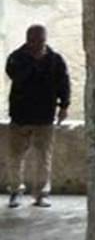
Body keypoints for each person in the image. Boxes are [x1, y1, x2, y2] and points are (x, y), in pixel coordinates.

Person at [5, 24, 70, 209]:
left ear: (45, 39)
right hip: (20, 115)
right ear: (27, 40)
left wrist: (64, 106)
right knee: (15, 157)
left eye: (40, 40)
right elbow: (16, 76)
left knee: (43, 157)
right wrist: (34, 62)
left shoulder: (55, 60)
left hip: (45, 116)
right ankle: (15, 192)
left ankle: (41, 194)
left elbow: (63, 83)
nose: (36, 44)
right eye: (33, 40)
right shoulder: (16, 58)